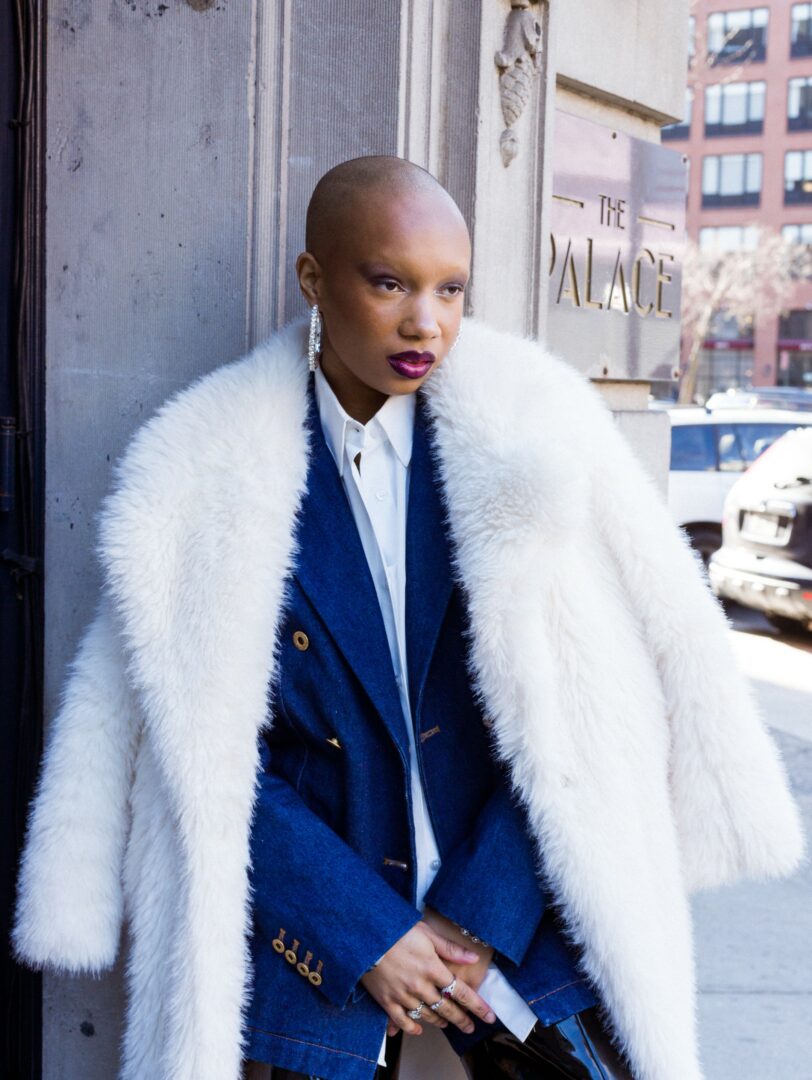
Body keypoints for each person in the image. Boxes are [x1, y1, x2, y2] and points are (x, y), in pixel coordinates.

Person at [11, 156, 805, 1080]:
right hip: (320, 970)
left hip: (525, 940)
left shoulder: (532, 435)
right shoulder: (208, 472)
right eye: (390, 283)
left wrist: (476, 918)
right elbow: (200, 760)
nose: (426, 321)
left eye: (451, 289)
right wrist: (366, 936)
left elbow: (593, 712)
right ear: (314, 279)